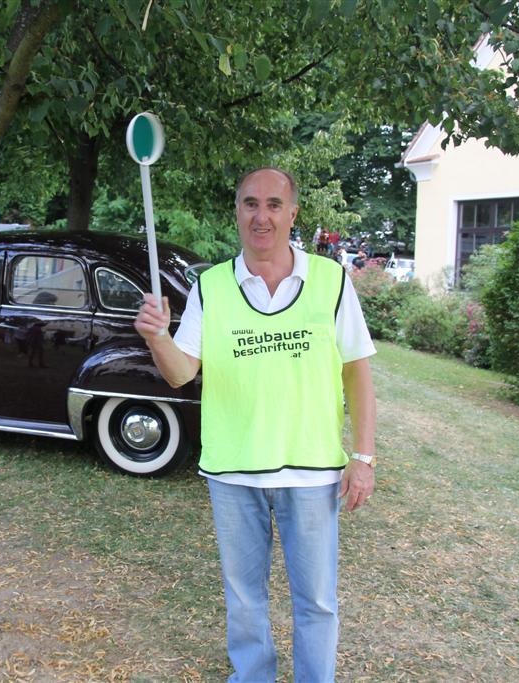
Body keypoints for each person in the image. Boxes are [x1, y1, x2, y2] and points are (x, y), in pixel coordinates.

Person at [134, 168, 377, 683]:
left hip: (310, 473)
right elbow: (181, 373)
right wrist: (158, 336)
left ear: (292, 214)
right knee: (245, 603)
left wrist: (364, 456)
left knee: (316, 602)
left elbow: (357, 371)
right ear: (238, 211)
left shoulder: (331, 281)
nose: (260, 216)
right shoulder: (213, 286)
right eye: (250, 204)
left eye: (272, 204)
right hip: (234, 472)